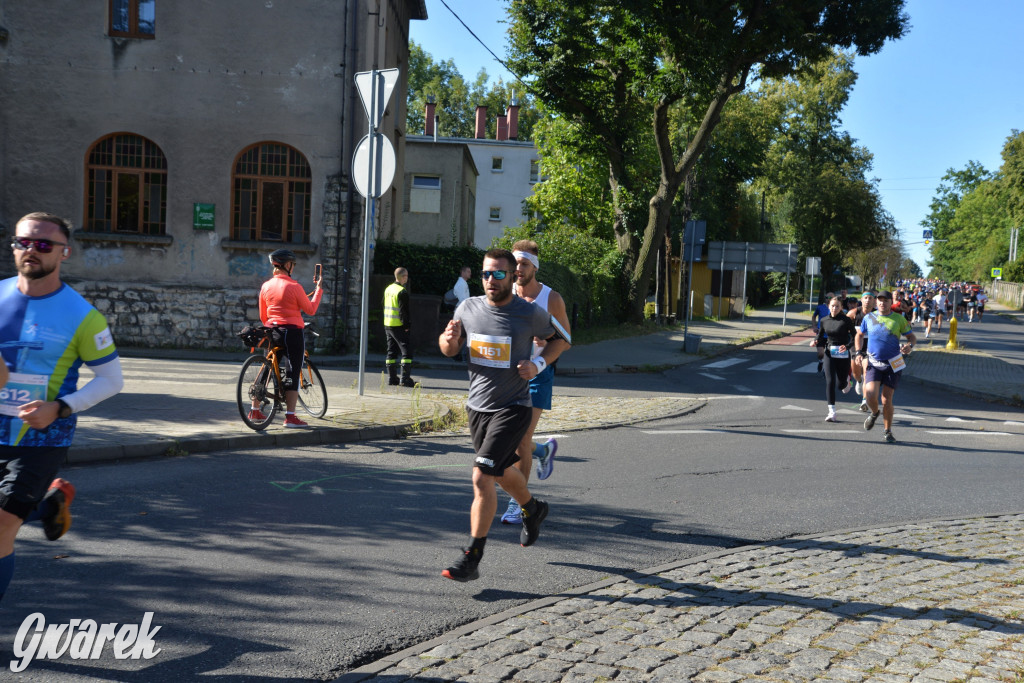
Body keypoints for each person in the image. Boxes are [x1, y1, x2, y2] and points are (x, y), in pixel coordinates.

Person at [1, 212, 125, 603]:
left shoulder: (82, 316)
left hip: (41, 438)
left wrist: (60, 407)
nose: (30, 251)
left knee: (1, 527)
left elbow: (112, 380)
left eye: (42, 245)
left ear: (64, 252)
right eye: (23, 242)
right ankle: (50, 505)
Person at [438, 249, 570, 582]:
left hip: (513, 407)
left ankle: (472, 557)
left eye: (498, 274)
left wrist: (538, 364)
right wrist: (448, 341)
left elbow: (563, 340)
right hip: (477, 407)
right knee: (497, 472)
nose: (490, 280)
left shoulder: (529, 313)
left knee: (482, 476)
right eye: (485, 274)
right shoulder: (468, 307)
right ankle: (532, 507)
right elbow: (450, 348)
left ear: (513, 277)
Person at [499, 240, 571, 526]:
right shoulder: (503, 292)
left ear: (534, 268)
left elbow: (566, 341)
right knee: (510, 439)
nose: (518, 269)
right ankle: (543, 451)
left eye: (524, 264)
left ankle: (520, 503)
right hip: (507, 376)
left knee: (520, 441)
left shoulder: (551, 299)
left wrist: (543, 347)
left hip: (539, 374)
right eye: (515, 263)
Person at [251, 248, 323, 427]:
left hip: (272, 330)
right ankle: (290, 417)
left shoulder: (266, 286)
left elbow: (263, 316)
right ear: (287, 265)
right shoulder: (294, 286)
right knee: (292, 370)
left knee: (267, 367)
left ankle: (254, 410)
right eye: (292, 264)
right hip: (292, 332)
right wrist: (318, 290)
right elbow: (311, 310)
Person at [855, 291, 917, 444]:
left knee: (886, 399)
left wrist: (910, 346)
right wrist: (858, 352)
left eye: (886, 300)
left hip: (893, 363)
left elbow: (911, 337)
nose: (882, 303)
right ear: (877, 303)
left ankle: (887, 431)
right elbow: (859, 335)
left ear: (891, 303)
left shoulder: (899, 319)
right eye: (880, 300)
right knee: (870, 395)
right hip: (874, 363)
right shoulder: (869, 317)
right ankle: (875, 413)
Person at [810, 296, 857, 422]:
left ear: (841, 307)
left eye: (837, 306)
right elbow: (820, 336)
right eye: (832, 306)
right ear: (828, 306)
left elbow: (854, 336)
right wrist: (815, 342)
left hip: (843, 353)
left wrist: (847, 346)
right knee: (829, 381)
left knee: (841, 385)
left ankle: (847, 380)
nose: (834, 308)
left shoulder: (846, 320)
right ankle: (832, 412)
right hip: (829, 352)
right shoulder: (824, 320)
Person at [383, 267, 415, 387]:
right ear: (402, 277)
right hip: (399, 325)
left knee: (391, 351)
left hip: (388, 324)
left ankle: (392, 378)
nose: (407, 277)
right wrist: (406, 326)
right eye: (406, 275)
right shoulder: (402, 292)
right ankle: (405, 379)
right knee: (407, 351)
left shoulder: (388, 289)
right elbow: (403, 312)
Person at [810, 293, 834, 374]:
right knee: (820, 353)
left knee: (829, 353)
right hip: (821, 333)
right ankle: (821, 361)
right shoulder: (820, 307)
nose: (828, 299)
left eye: (831, 297)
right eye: (827, 297)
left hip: (832, 335)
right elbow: (814, 316)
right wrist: (814, 326)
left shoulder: (836, 308)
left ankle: (826, 368)